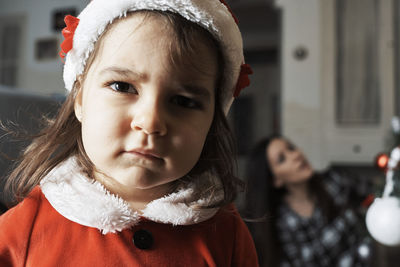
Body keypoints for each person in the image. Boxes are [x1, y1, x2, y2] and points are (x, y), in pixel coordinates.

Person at [0, 0, 258, 266]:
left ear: (212, 122)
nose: (150, 122)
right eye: (122, 86)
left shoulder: (228, 235)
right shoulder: (23, 230)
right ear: (79, 99)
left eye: (183, 101)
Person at [244, 136, 371, 267]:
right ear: (276, 180)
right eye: (282, 159)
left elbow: (377, 193)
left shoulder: (334, 180)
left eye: (291, 148)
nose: (296, 155)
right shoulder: (281, 225)